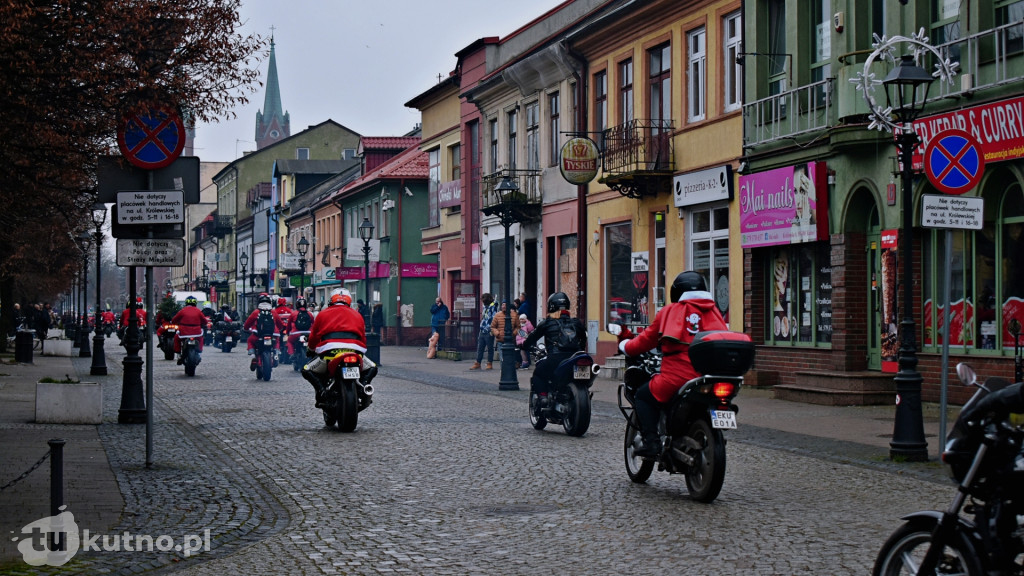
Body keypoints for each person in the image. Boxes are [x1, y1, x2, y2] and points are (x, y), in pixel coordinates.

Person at [617, 271, 728, 457]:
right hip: (709, 376)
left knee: (643, 396)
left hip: (678, 377)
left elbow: (644, 341)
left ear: (676, 292)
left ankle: (651, 443)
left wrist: (624, 345)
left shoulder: (669, 312)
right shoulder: (714, 312)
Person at [301, 288, 378, 408]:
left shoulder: (322, 314)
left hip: (329, 353)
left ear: (331, 300)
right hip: (355, 352)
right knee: (372, 367)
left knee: (306, 369)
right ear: (349, 301)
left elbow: (314, 336)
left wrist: (310, 350)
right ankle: (363, 386)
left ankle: (322, 391)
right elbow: (363, 337)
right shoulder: (357, 315)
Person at [522, 292, 587, 396]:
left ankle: (543, 397)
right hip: (576, 357)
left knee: (538, 375)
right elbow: (583, 339)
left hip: (556, 357)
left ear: (551, 306)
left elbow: (532, 338)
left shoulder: (547, 323)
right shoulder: (576, 322)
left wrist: (524, 345)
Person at [243, 293, 284, 371]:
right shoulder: (273, 312)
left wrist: (246, 328)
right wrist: (280, 329)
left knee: (250, 340)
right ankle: (276, 354)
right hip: (273, 334)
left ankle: (253, 355)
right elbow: (280, 324)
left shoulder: (256, 312)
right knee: (277, 342)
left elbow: (248, 323)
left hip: (258, 334)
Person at [170, 295, 206, 364]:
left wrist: (173, 322)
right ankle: (199, 353)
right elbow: (205, 321)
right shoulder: (198, 311)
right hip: (196, 332)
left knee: (176, 338)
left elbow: (174, 320)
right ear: (195, 303)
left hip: (184, 332)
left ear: (186, 303)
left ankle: (179, 354)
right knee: (201, 338)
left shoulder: (182, 311)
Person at [469, 293, 497, 370]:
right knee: (480, 347)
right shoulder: (485, 307)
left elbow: (493, 318)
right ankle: (478, 362)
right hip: (482, 329)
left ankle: (489, 363)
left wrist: (490, 328)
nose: (482, 301)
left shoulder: (492, 307)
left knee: (490, 347)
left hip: (488, 330)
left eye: (483, 299)